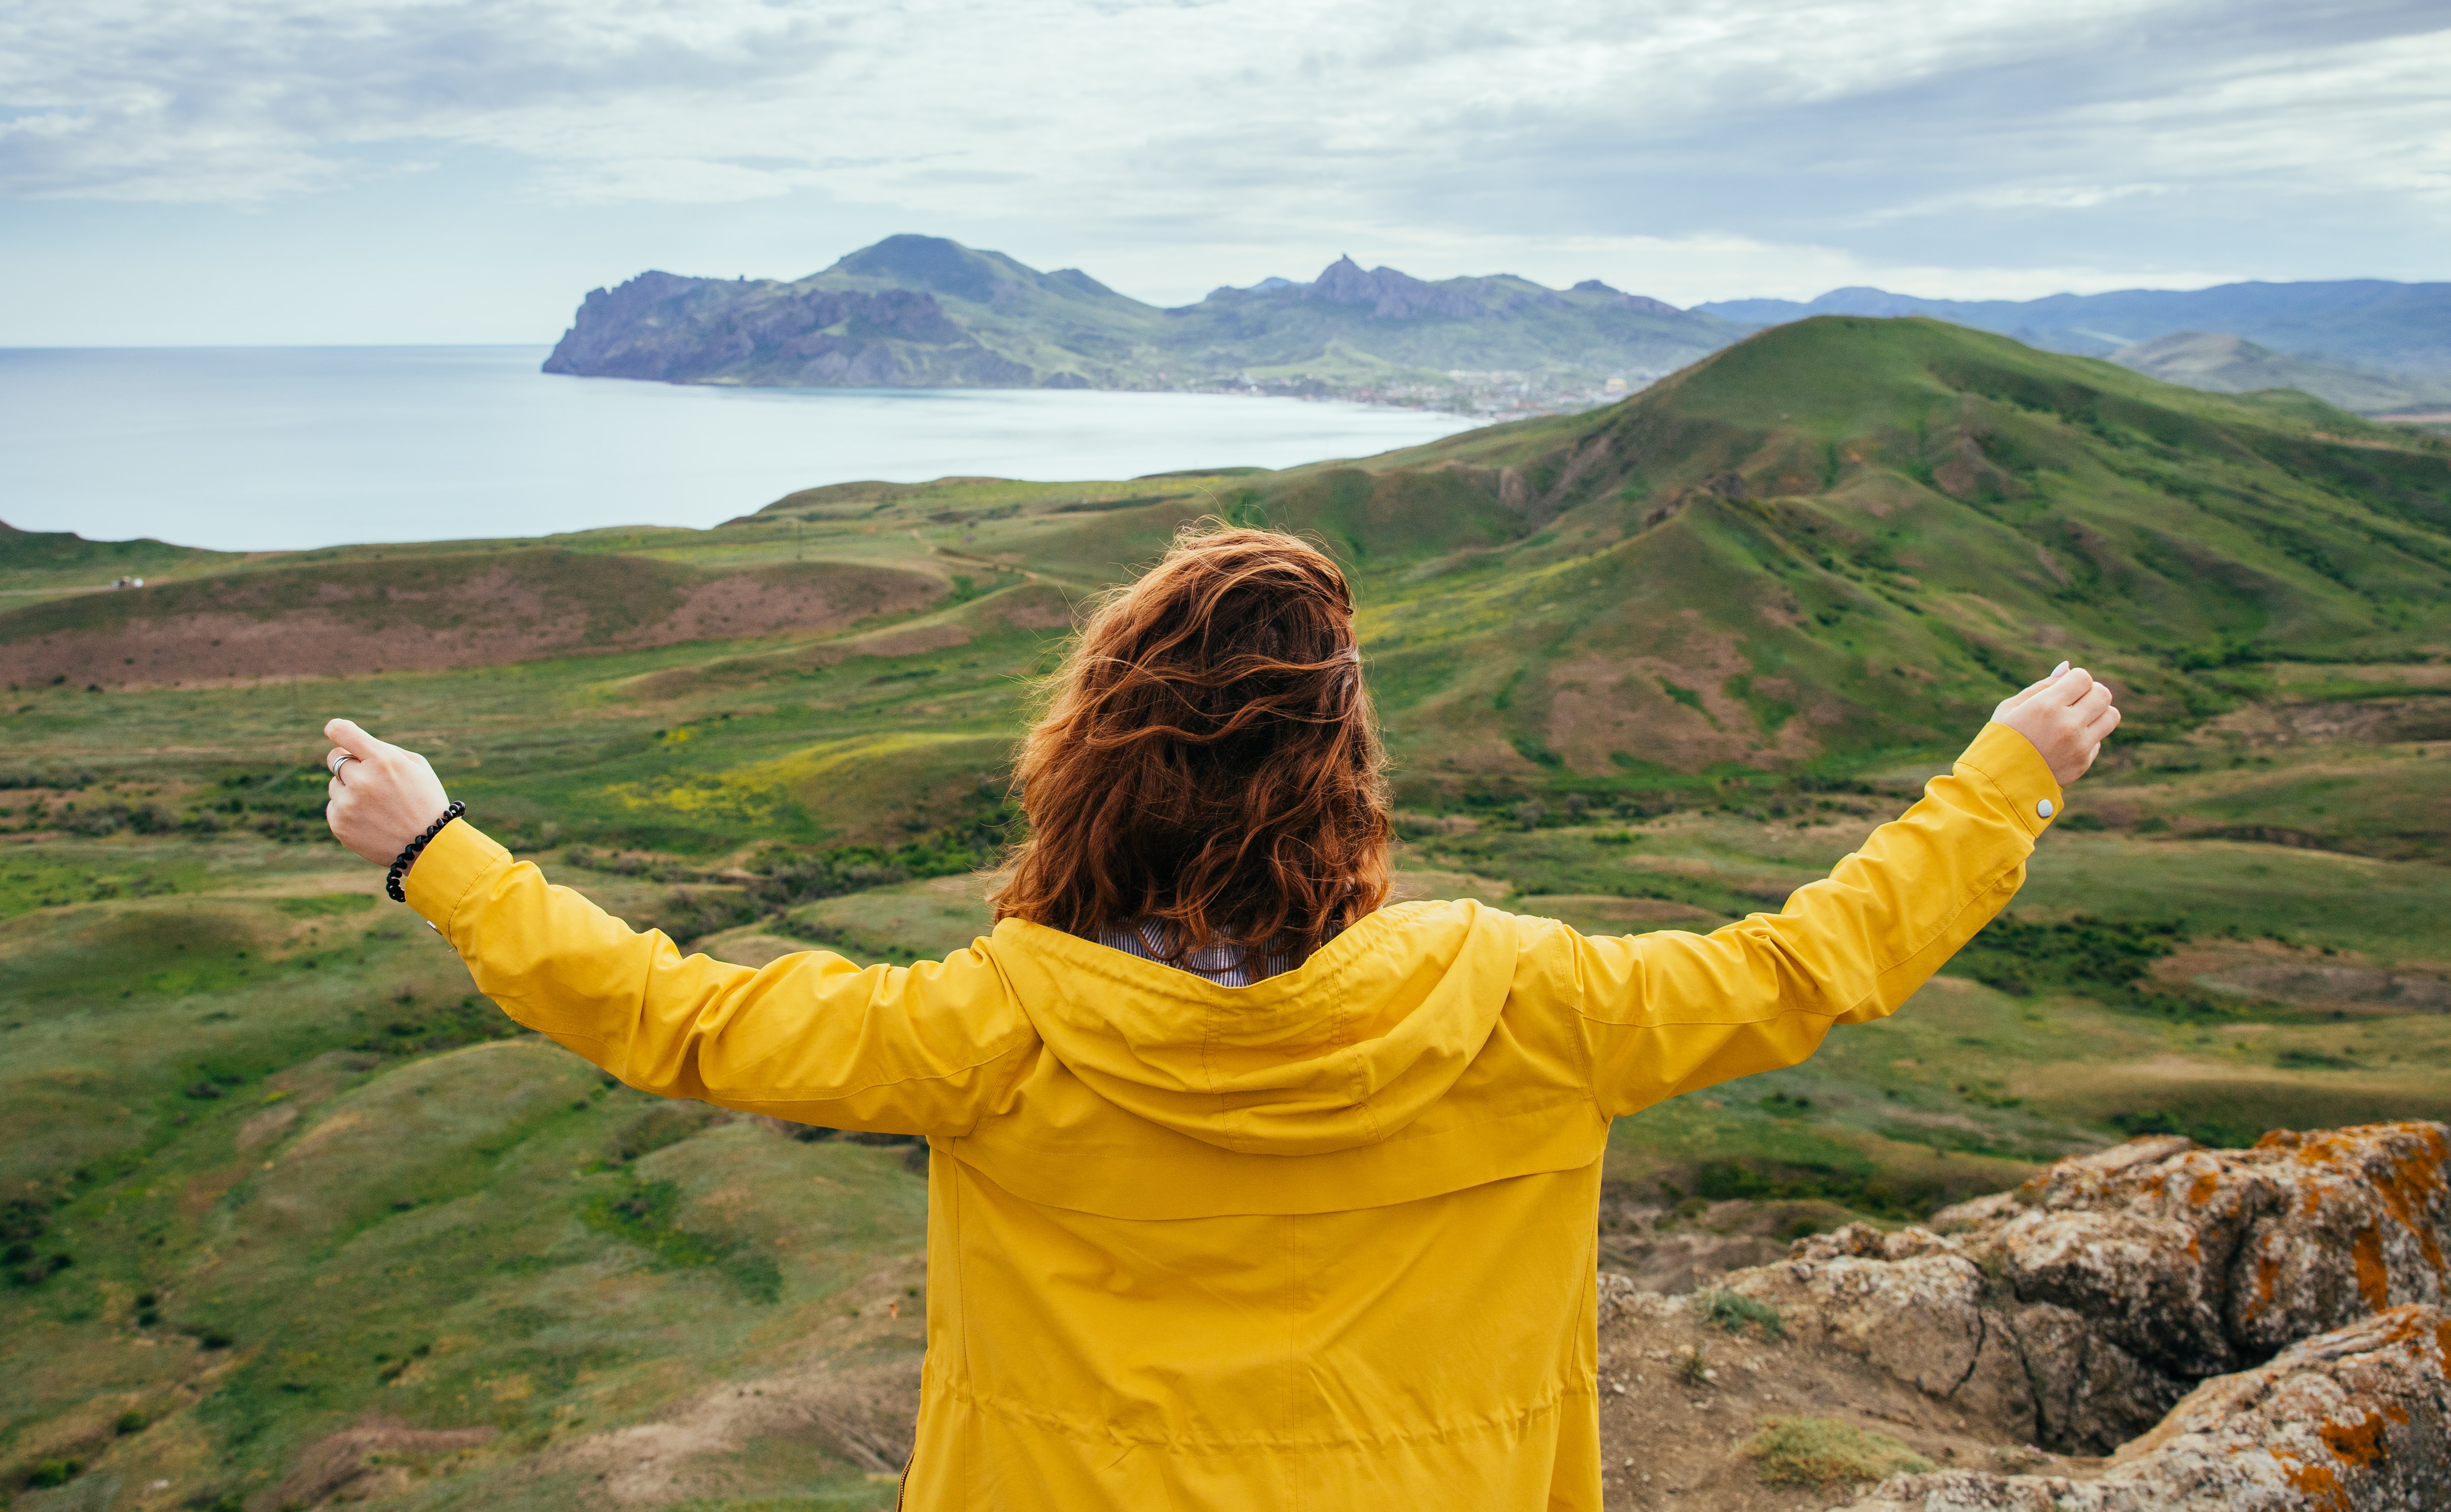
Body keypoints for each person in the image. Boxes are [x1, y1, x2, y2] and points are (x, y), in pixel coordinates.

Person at [321, 523, 2118, 1512]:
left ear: (1092, 766)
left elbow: (675, 1017)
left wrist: (438, 851)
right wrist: (2000, 779)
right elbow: (1811, 963)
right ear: (1342, 775)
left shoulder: (993, 1027)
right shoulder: (1521, 1000)